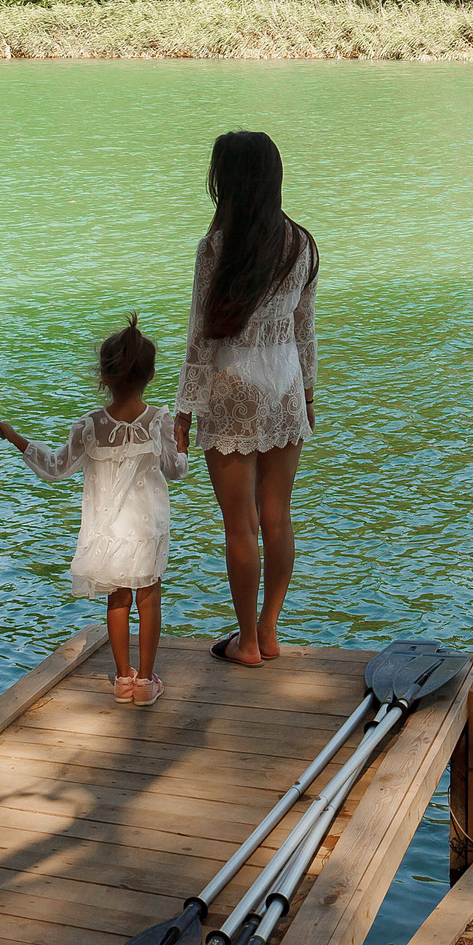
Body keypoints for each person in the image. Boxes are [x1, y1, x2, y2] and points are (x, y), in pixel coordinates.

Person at [174, 130, 317, 669]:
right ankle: (270, 630)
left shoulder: (215, 248)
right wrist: (308, 394)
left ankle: (247, 644)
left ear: (228, 183)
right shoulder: (301, 244)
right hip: (284, 385)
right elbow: (305, 330)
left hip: (232, 386)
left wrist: (184, 409)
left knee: (241, 526)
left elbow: (199, 337)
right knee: (277, 518)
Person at [0, 318, 188, 706]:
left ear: (103, 376)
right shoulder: (159, 421)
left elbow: (55, 468)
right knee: (149, 598)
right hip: (147, 528)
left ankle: (122, 679)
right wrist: (182, 443)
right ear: (151, 375)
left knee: (117, 599)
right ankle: (146, 682)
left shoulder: (89, 426)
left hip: (107, 531)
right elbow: (175, 471)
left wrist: (16, 438)